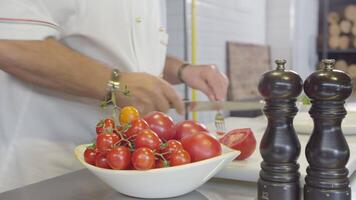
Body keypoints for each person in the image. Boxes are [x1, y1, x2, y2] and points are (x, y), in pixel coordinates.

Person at [0, 0, 228, 192]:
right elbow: (10, 43)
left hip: (122, 168)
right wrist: (116, 84)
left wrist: (183, 70)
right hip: (47, 170)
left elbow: (128, 57)